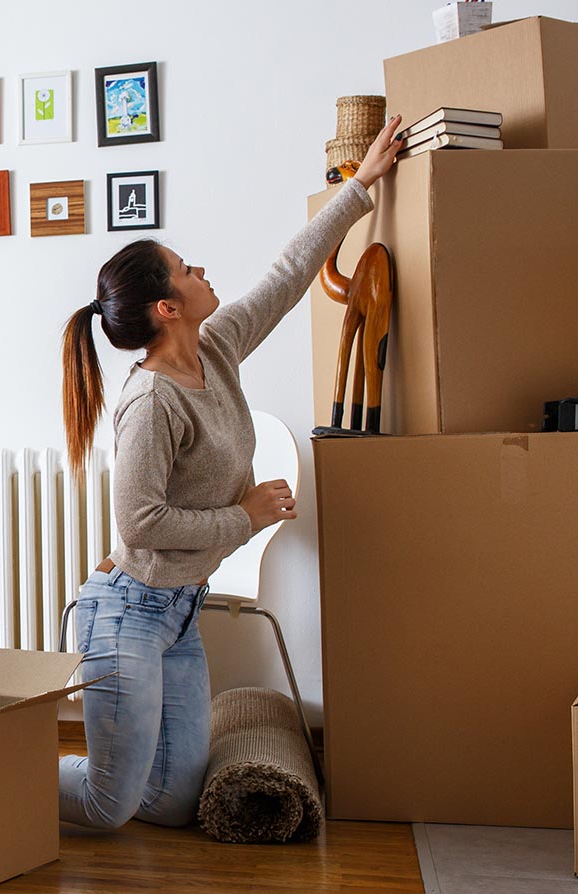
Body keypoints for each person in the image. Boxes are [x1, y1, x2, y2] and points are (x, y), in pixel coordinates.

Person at [56, 116, 405, 829]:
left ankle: (69, 769)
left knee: (176, 802)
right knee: (107, 804)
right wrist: (243, 515)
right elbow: (140, 521)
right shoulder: (149, 401)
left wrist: (359, 186)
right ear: (166, 307)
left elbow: (284, 279)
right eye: (187, 270)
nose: (202, 271)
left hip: (177, 611)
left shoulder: (214, 347)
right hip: (126, 613)